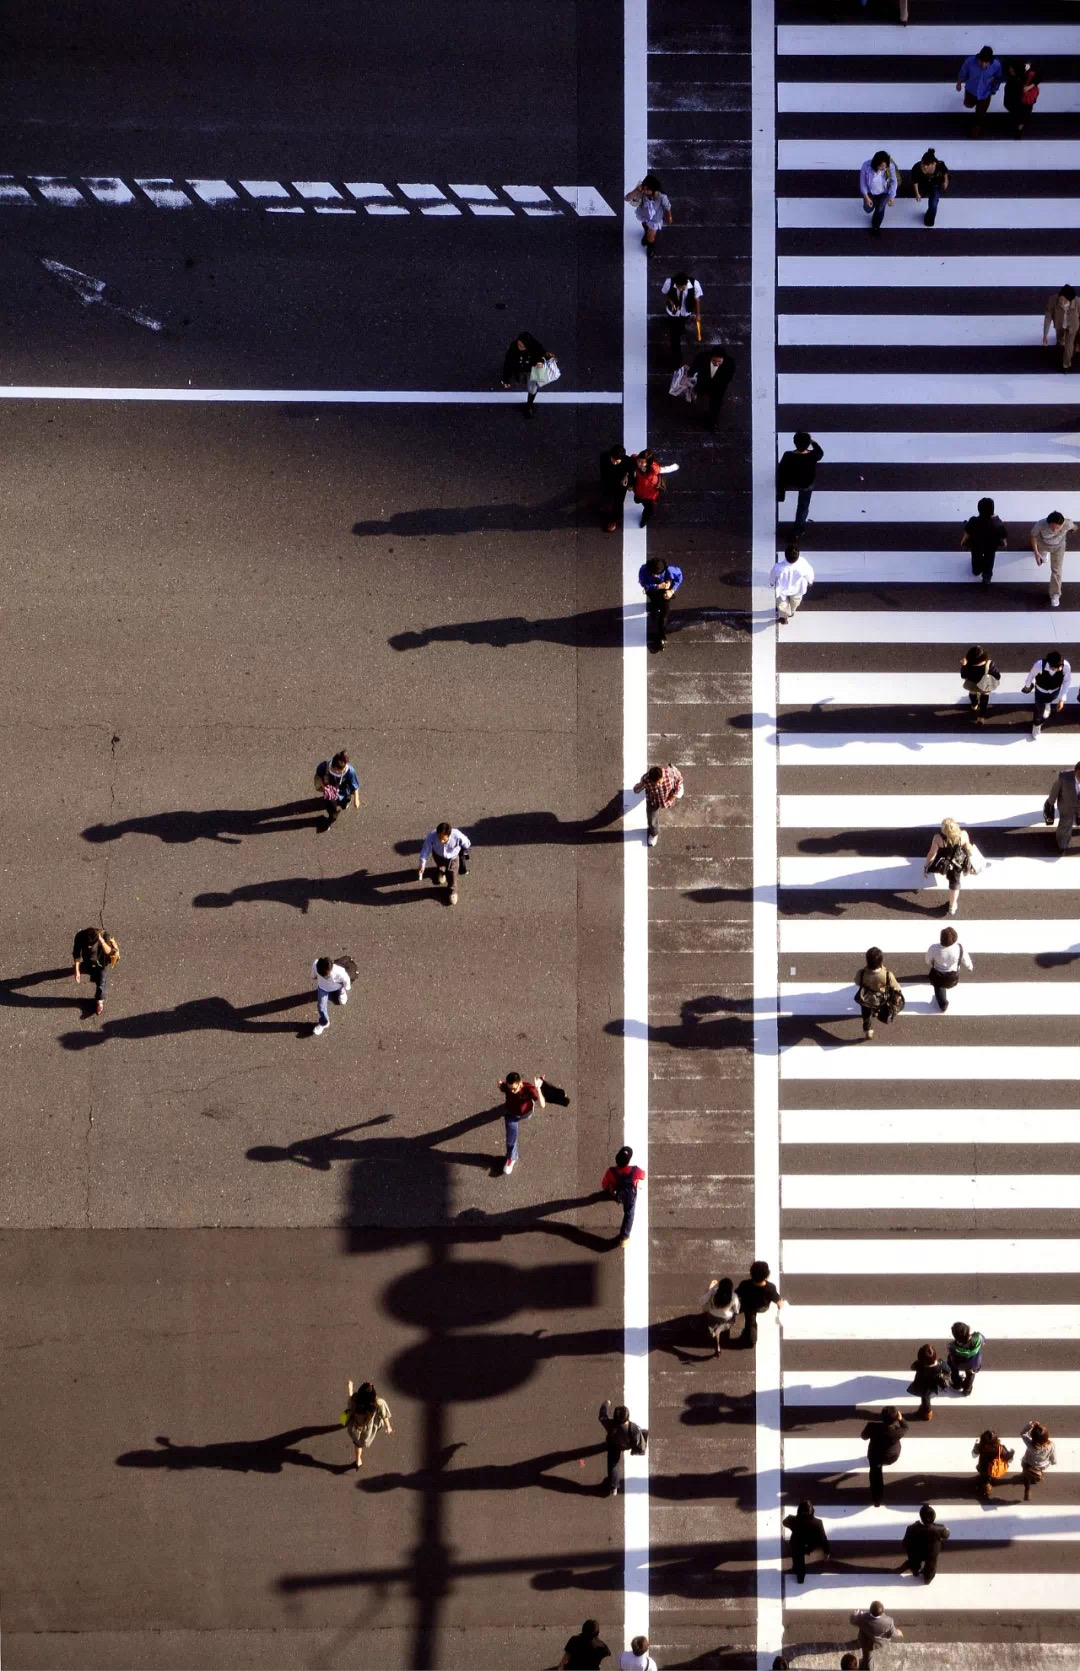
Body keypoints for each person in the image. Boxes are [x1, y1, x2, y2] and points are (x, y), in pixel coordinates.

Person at [923, 817, 977, 918]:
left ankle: (935, 871)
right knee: (955, 882)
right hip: (957, 861)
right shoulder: (963, 835)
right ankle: (952, 907)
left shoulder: (938, 838)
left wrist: (926, 866)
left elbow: (932, 854)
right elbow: (969, 848)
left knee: (938, 865)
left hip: (944, 861)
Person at [498, 1070, 545, 1175]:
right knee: (510, 1140)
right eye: (510, 1088)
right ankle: (511, 1158)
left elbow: (542, 1105)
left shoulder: (529, 1088)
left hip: (526, 1113)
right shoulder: (507, 1087)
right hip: (511, 1114)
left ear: (520, 1082)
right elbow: (502, 1088)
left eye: (515, 1088)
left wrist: (538, 1089)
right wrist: (500, 1085)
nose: (512, 1091)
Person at [776, 433, 824, 533]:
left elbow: (781, 471)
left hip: (792, 480)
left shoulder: (788, 455)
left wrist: (781, 488)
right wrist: (812, 441)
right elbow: (820, 452)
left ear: (794, 443)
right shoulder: (813, 455)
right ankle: (797, 529)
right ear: (808, 444)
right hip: (806, 483)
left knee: (803, 504)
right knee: (803, 506)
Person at [861, 1407, 908, 1507]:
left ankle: (876, 1499)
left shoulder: (872, 1426)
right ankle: (877, 1498)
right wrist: (901, 1419)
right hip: (892, 1456)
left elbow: (863, 1436)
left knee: (875, 1475)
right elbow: (906, 1427)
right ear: (895, 1419)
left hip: (875, 1455)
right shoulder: (897, 1431)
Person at [854, 946, 903, 1040]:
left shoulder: (862, 973)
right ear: (881, 962)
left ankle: (868, 1030)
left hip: (866, 997)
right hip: (881, 998)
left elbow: (857, 982)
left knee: (866, 1013)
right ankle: (876, 1012)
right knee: (880, 1006)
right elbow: (896, 987)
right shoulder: (887, 975)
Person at [1030, 510, 1077, 607]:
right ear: (1048, 523)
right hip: (1043, 544)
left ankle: (1055, 595)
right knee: (1042, 551)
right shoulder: (1040, 524)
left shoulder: (1067, 523)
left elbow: (1074, 527)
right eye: (1052, 527)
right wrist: (1036, 553)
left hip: (1058, 547)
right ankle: (1043, 552)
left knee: (1056, 570)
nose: (1055, 530)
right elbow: (1033, 536)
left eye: (1058, 528)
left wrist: (1075, 529)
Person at [598, 1401, 644, 1497]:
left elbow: (602, 1416)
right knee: (614, 1463)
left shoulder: (610, 1424)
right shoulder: (633, 1428)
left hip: (613, 1444)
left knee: (613, 1464)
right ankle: (613, 1486)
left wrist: (605, 1404)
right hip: (626, 1445)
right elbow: (636, 1441)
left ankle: (614, 1486)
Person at [342, 1378, 392, 1469]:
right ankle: (358, 1461)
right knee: (360, 1444)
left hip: (356, 1427)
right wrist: (388, 1426)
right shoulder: (378, 1403)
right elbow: (384, 1414)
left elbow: (350, 1403)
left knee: (357, 1445)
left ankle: (358, 1461)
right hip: (367, 1430)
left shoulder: (355, 1400)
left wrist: (350, 1388)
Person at [734, 1259, 784, 1349]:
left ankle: (751, 1338)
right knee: (752, 1323)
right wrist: (781, 1305)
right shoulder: (770, 1288)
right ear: (766, 1275)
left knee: (750, 1321)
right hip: (762, 1307)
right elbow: (778, 1300)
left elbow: (736, 1294)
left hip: (748, 1305)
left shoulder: (745, 1284)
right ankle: (752, 1340)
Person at [72, 925, 120, 1017]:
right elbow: (76, 954)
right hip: (88, 962)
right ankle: (83, 969)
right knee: (85, 969)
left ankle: (99, 1002)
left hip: (102, 963)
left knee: (101, 983)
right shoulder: (80, 936)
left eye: (91, 945)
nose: (89, 946)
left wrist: (102, 942)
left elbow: (110, 952)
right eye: (88, 945)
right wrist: (76, 970)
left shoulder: (105, 935)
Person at [418, 822, 471, 905]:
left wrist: (464, 851)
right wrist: (422, 865)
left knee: (452, 874)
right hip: (438, 855)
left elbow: (466, 843)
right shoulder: (432, 836)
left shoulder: (457, 835)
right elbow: (425, 850)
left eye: (444, 839)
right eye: (439, 838)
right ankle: (442, 872)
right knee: (440, 866)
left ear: (449, 835)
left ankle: (452, 891)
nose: (441, 841)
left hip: (453, 858)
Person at [1022, 651, 1072, 740]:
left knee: (1049, 701)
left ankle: (1047, 704)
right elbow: (1031, 675)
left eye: (1060, 666)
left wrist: (1062, 699)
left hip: (1055, 691)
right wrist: (1027, 686)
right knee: (1039, 710)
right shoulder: (1039, 665)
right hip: (1040, 691)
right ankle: (1036, 725)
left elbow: (1067, 681)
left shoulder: (1066, 666)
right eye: (1057, 668)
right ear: (1050, 666)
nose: (1060, 668)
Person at [602, 1146, 646, 1245]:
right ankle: (625, 1237)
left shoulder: (611, 1172)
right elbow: (643, 1175)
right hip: (630, 1196)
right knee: (629, 1213)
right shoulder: (635, 1170)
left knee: (613, 1190)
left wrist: (609, 1187)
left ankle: (616, 1198)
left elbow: (604, 1184)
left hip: (617, 1194)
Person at [633, 762, 684, 846]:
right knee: (651, 819)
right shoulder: (646, 780)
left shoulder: (671, 773)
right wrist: (636, 790)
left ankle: (678, 793)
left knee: (679, 791)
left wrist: (674, 795)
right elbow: (639, 787)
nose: (658, 785)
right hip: (653, 800)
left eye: (659, 782)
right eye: (655, 783)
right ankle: (654, 833)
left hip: (668, 797)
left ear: (662, 776)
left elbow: (680, 780)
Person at [960, 499, 1008, 588]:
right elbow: (1004, 542)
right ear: (992, 510)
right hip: (991, 547)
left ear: (979, 509)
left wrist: (963, 542)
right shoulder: (998, 523)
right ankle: (987, 577)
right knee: (989, 559)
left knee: (976, 557)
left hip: (976, 546)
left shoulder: (973, 521)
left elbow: (966, 535)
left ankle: (977, 570)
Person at [637, 557, 683, 651]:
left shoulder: (669, 570)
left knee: (665, 611)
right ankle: (655, 607)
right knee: (654, 602)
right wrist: (657, 586)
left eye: (659, 574)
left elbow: (679, 577)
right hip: (652, 591)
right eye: (654, 574)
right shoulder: (644, 570)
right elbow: (643, 583)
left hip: (665, 593)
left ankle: (660, 636)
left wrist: (672, 590)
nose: (657, 576)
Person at [956, 45, 1003, 135]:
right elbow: (963, 72)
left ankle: (977, 128)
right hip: (971, 90)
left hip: (985, 93)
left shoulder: (996, 66)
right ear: (978, 58)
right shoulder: (970, 61)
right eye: (981, 61)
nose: (983, 64)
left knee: (981, 113)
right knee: (968, 104)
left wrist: (993, 90)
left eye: (986, 62)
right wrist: (959, 83)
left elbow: (998, 78)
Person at [925, 928, 973, 1014]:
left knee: (939, 989)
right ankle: (943, 1003)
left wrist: (931, 963)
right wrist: (970, 967)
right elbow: (966, 960)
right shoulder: (959, 948)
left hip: (938, 974)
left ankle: (943, 1004)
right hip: (952, 976)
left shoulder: (934, 948)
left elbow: (927, 960)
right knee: (945, 985)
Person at [689, 345, 736, 429]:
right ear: (710, 357)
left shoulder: (730, 363)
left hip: (718, 387)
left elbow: (728, 378)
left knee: (716, 405)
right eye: (714, 361)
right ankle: (702, 413)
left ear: (723, 359)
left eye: (719, 361)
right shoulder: (702, 357)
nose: (717, 364)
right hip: (703, 383)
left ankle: (712, 423)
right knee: (701, 400)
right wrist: (689, 375)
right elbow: (694, 367)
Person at [783, 1499, 830, 1584]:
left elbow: (784, 1522)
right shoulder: (818, 1523)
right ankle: (799, 1575)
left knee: (797, 1559)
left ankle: (799, 1576)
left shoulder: (793, 1520)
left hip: (796, 1543)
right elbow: (823, 1538)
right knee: (800, 1560)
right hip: (810, 1545)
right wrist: (826, 1552)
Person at [901, 1504, 950, 1585]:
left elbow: (905, 1543)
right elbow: (946, 1535)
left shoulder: (912, 1528)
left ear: (921, 1517)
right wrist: (947, 1530)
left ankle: (915, 1571)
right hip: (932, 1553)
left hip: (916, 1553)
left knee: (914, 1562)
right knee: (931, 1565)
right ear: (934, 1517)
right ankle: (928, 1578)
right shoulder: (940, 1528)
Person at [661, 272, 703, 365]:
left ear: (686, 283)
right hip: (673, 313)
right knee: (674, 336)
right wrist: (671, 303)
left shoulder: (695, 284)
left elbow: (697, 300)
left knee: (681, 324)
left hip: (685, 312)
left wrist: (698, 314)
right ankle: (677, 357)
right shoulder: (669, 282)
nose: (680, 289)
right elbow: (666, 294)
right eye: (678, 286)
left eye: (682, 287)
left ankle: (680, 328)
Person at [625, 174, 672, 256]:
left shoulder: (662, 197)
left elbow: (668, 207)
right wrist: (637, 190)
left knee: (651, 236)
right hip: (644, 214)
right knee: (644, 224)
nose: (645, 191)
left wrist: (669, 217)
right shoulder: (642, 192)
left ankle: (650, 247)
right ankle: (646, 232)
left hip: (655, 219)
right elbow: (627, 198)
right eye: (644, 188)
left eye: (647, 189)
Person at [314, 750, 360, 830]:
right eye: (338, 771)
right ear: (334, 767)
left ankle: (344, 803)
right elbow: (319, 777)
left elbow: (354, 785)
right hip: (331, 792)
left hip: (345, 790)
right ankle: (331, 818)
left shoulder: (350, 771)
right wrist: (324, 787)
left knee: (345, 800)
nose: (340, 772)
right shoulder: (324, 766)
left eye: (342, 770)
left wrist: (356, 799)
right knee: (331, 807)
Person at [632, 450, 679, 529]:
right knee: (638, 501)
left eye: (642, 462)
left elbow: (665, 469)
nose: (639, 464)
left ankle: (645, 518)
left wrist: (674, 467)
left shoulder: (654, 469)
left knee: (650, 510)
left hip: (651, 496)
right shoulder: (635, 460)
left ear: (648, 462)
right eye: (639, 461)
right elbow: (633, 457)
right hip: (639, 492)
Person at [770, 544, 815, 624]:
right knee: (795, 602)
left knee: (782, 605)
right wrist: (810, 581)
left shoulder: (778, 567)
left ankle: (784, 617)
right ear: (797, 556)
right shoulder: (803, 563)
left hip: (782, 590)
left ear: (785, 556)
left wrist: (772, 582)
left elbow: (772, 575)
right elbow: (809, 573)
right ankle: (792, 611)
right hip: (797, 589)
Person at [850, 1601, 902, 1670]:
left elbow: (853, 1621)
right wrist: (898, 1633)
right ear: (882, 1611)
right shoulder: (889, 1621)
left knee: (867, 1658)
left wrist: (854, 1614)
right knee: (869, 1658)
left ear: (870, 1610)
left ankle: (868, 1668)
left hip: (865, 1640)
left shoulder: (862, 1618)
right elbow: (893, 1632)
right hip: (876, 1642)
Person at [858, 151, 898, 236]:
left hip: (884, 192)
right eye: (881, 166)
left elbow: (894, 181)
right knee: (868, 209)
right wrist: (866, 197)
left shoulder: (890, 166)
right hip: (870, 192)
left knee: (880, 208)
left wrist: (892, 196)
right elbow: (863, 183)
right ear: (875, 163)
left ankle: (875, 225)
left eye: (885, 166)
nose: (884, 168)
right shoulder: (866, 166)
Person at [1044, 762, 1080, 854]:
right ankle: (1062, 844)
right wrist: (1050, 803)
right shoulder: (1063, 777)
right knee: (1066, 824)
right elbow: (1054, 791)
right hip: (1067, 805)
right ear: (1075, 772)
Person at [959, 643, 1001, 723]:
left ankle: (974, 705)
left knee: (972, 693)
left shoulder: (969, 665)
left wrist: (963, 666)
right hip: (985, 685)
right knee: (985, 697)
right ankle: (981, 717)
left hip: (972, 684)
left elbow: (963, 675)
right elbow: (997, 676)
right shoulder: (989, 664)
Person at [312, 956, 351, 1037]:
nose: (325, 977)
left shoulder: (339, 972)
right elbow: (314, 973)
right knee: (321, 1006)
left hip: (337, 987)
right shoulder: (316, 964)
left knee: (341, 989)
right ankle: (324, 1022)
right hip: (322, 988)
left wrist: (347, 987)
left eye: (326, 976)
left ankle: (342, 992)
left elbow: (346, 979)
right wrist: (313, 975)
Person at [700, 1276, 740, 1354]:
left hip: (712, 1315)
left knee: (712, 1323)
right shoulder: (733, 1296)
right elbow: (737, 1311)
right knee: (731, 1321)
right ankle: (720, 1329)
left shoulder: (713, 1292)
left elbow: (702, 1301)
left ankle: (716, 1335)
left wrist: (710, 1288)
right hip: (726, 1317)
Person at [1043, 287, 1079, 373]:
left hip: (1072, 326)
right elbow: (1048, 317)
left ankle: (1066, 364)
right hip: (1059, 325)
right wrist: (1045, 334)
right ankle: (1060, 341)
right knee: (1059, 339)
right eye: (1061, 299)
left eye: (1065, 300)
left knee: (1069, 346)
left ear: (1071, 300)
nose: (1062, 302)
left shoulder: (1078, 302)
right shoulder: (1052, 300)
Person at [908, 1343, 948, 1419]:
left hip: (923, 1386)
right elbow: (948, 1370)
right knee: (926, 1397)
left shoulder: (919, 1365)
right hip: (934, 1385)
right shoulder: (940, 1364)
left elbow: (912, 1367)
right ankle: (927, 1412)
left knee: (925, 1399)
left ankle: (927, 1412)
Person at [1020, 1419, 1057, 1501]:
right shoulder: (1051, 1445)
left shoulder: (1030, 1445)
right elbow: (1052, 1455)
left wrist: (1030, 1425)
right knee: (1038, 1471)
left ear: (1032, 1437)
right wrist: (1054, 1461)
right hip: (1042, 1465)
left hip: (1028, 1463)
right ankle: (1036, 1477)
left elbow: (1022, 1433)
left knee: (1026, 1476)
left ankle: (1027, 1490)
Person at [910, 148, 949, 227]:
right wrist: (917, 193)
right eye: (923, 164)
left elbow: (945, 172)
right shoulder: (917, 167)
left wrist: (945, 181)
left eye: (927, 166)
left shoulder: (940, 165)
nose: (924, 167)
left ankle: (929, 220)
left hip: (936, 184)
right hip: (923, 184)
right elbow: (915, 181)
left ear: (933, 164)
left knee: (934, 204)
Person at [600, 445, 633, 533]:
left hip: (620, 485)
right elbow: (602, 470)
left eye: (617, 460)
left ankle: (613, 520)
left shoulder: (628, 461)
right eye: (613, 459)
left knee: (618, 502)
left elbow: (631, 473)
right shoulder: (604, 457)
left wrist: (630, 484)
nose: (614, 462)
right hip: (608, 481)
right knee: (606, 498)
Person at [973, 1428, 1013, 1499]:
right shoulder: (1000, 1448)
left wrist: (976, 1444)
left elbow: (974, 1455)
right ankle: (989, 1482)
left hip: (982, 1467)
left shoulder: (980, 1446)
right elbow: (1009, 1459)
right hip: (994, 1468)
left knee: (984, 1477)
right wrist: (1011, 1453)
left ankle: (986, 1485)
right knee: (989, 1475)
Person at [948, 1320, 984, 1395]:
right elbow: (983, 1342)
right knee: (970, 1374)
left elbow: (951, 1353)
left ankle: (957, 1383)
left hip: (959, 1364)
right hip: (975, 1363)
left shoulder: (953, 1346)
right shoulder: (978, 1338)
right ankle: (967, 1389)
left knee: (950, 1362)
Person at [1004, 60, 1039, 137]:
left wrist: (1029, 87)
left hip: (1019, 102)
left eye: (1012, 69)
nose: (1010, 69)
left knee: (1022, 113)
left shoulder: (1016, 82)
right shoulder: (1019, 77)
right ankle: (1019, 127)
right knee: (1022, 113)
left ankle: (1019, 129)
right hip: (1018, 101)